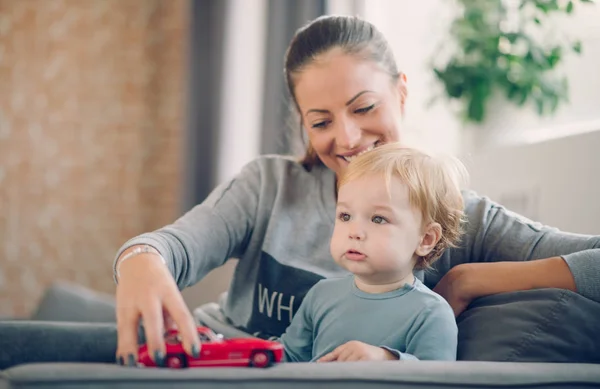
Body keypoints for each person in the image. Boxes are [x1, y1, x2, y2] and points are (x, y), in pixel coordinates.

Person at [112, 15, 600, 367]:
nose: (346, 138)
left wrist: (469, 279)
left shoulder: (458, 213)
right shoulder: (266, 185)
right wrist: (140, 261)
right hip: (222, 361)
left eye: (364, 107)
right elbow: (170, 245)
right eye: (321, 121)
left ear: (402, 94)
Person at [281, 144, 464, 362]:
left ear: (425, 239)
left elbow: (439, 385)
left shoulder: (431, 313)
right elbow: (288, 359)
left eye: (378, 219)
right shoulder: (320, 295)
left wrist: (387, 360)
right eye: (345, 216)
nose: (354, 232)